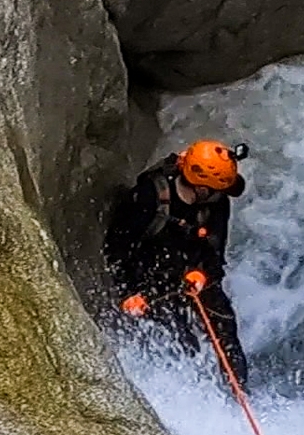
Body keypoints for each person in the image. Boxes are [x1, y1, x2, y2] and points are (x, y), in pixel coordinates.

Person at [104, 138, 252, 378]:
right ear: (202, 188)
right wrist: (129, 292)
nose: (220, 195)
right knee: (182, 340)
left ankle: (239, 391)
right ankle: (192, 384)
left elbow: (215, 251)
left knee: (225, 331)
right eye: (216, 191)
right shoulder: (148, 198)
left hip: (193, 270)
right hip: (152, 276)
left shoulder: (216, 204)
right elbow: (117, 247)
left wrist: (202, 272)